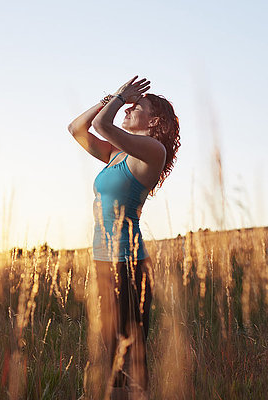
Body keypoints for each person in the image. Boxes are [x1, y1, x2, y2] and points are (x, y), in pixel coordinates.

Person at [68, 76, 180, 399]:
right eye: (128, 104)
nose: (128, 108)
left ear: (154, 120)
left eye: (136, 106)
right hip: (104, 261)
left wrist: (118, 97)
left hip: (127, 265)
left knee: (130, 360)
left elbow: (103, 125)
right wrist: (109, 98)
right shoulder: (118, 154)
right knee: (115, 359)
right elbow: (77, 128)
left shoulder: (151, 152)